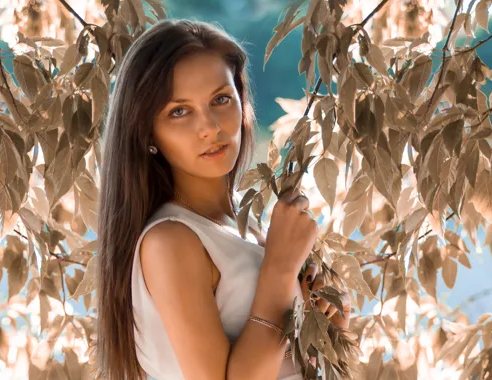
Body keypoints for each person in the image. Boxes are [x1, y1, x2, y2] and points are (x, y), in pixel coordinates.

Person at [96, 18, 351, 380]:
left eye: (221, 99)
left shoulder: (248, 226)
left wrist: (329, 318)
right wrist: (280, 269)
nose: (211, 127)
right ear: (147, 133)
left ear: (243, 104)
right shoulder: (170, 241)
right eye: (179, 111)